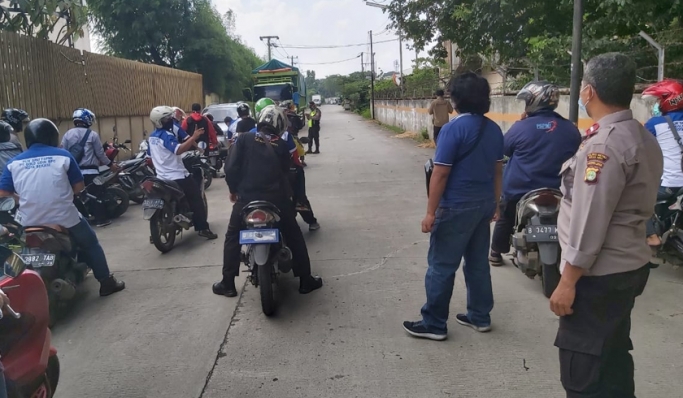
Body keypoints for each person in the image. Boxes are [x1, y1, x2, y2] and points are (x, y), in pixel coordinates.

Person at [551, 53, 663, 398]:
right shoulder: (639, 136)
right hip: (628, 267)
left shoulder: (604, 145)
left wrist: (567, 281)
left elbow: (589, 220)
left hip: (597, 276)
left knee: (583, 369)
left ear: (588, 92)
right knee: (612, 357)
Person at [403, 72, 504, 341]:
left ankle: (434, 323)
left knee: (441, 266)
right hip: (483, 205)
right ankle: (480, 317)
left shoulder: (453, 129)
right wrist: (496, 204)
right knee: (477, 264)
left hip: (456, 206)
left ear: (455, 98)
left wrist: (429, 212)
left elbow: (440, 173)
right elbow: (497, 171)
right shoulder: (493, 129)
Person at [0, 119, 126, 296]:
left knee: (18, 249)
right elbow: (79, 188)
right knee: (91, 243)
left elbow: (3, 194)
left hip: (29, 220)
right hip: (64, 217)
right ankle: (106, 282)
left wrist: (22, 199)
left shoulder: (13, 163)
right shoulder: (64, 156)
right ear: (52, 136)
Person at [213, 105, 323, 297]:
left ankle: (228, 283)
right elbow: (289, 173)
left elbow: (230, 168)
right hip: (276, 201)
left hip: (246, 199)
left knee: (232, 237)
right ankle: (305, 280)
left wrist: (233, 191)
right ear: (280, 124)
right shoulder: (281, 145)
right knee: (294, 235)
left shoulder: (244, 138)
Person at [489, 82, 581, 265]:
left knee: (506, 213)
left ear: (533, 101)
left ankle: (496, 252)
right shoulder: (570, 128)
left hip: (520, 189)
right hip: (560, 189)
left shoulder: (521, 127)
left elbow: (504, 149)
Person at [148, 106, 218, 240]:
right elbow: (178, 150)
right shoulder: (166, 135)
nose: (170, 120)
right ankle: (203, 228)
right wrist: (194, 137)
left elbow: (151, 155)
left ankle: (155, 232)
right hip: (177, 176)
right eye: (167, 118)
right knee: (196, 198)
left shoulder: (152, 137)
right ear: (159, 121)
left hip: (161, 177)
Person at [642, 80, 683, 247]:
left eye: (659, 100)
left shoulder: (655, 124)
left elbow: (640, 148)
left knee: (636, 197)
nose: (657, 105)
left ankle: (651, 235)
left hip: (669, 185)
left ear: (669, 100)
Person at [61, 108, 117, 227]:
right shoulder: (92, 135)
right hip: (91, 172)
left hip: (74, 173)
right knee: (96, 195)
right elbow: (100, 154)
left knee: (75, 197)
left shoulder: (67, 134)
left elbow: (63, 153)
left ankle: (79, 221)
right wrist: (110, 165)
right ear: (87, 119)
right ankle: (101, 220)